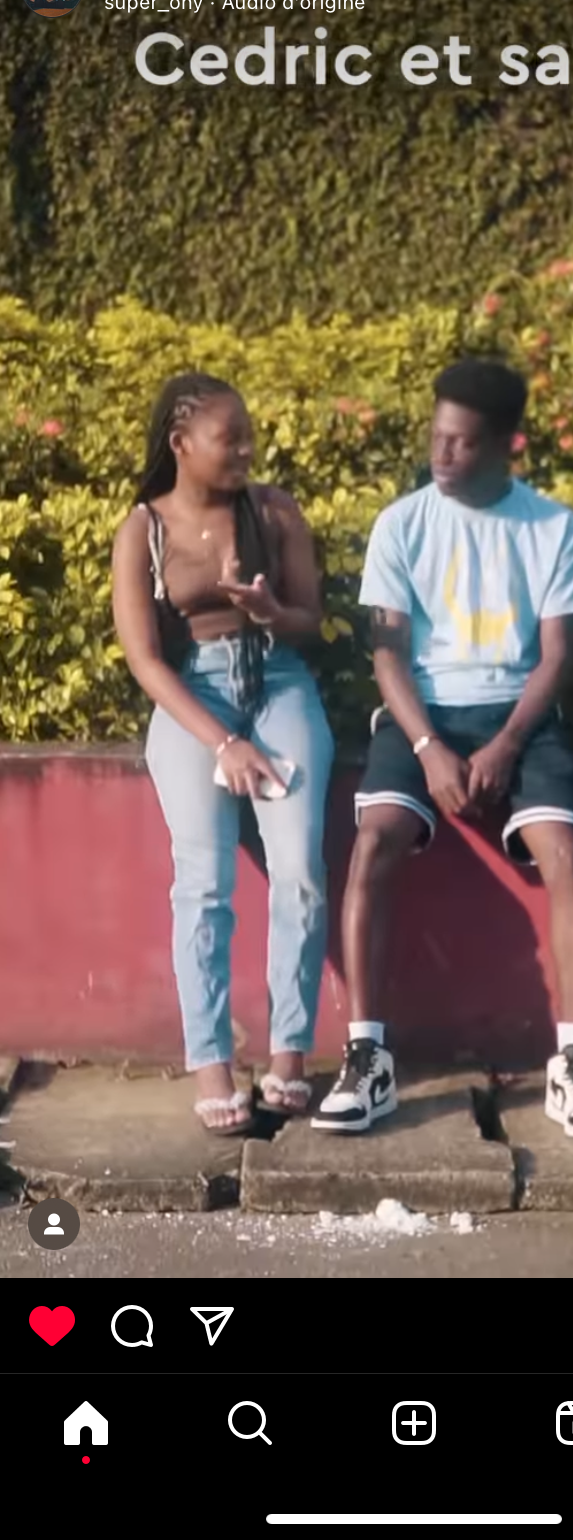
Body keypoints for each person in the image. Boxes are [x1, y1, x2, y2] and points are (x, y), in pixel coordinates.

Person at [312, 356, 573, 1139]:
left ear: (506, 445)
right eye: (437, 438)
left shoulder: (553, 527)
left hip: (522, 717)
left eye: (462, 443)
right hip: (423, 716)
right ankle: (367, 1061)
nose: (442, 455)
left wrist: (508, 744)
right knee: (372, 842)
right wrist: (426, 746)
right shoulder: (401, 524)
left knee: (566, 854)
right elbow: (387, 656)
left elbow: (557, 656)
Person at [112, 373, 334, 1131]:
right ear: (180, 444)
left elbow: (310, 619)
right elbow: (146, 661)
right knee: (204, 883)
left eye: (248, 436)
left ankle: (289, 1055)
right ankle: (211, 1062)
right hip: (192, 696)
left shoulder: (273, 511)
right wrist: (224, 742)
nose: (245, 450)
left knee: (300, 870)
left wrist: (272, 611)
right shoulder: (143, 530)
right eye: (228, 438)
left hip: (278, 683)